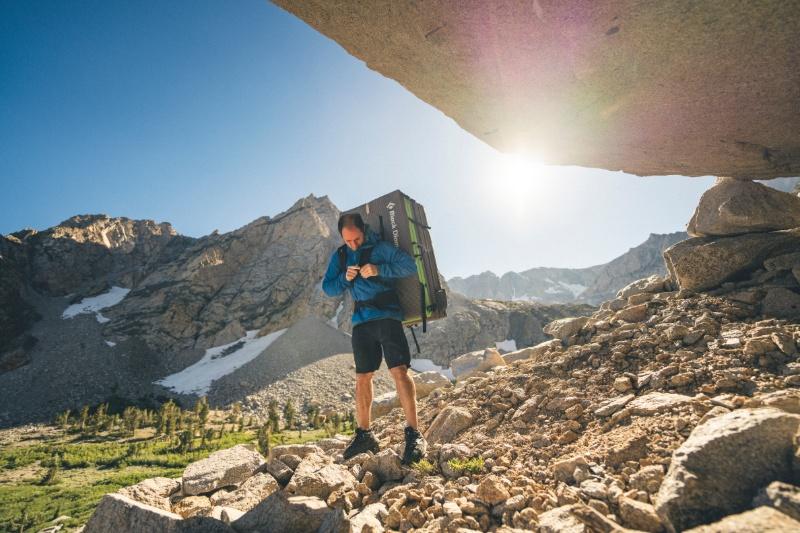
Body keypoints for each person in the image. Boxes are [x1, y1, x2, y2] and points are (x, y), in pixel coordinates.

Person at [322, 213, 427, 464]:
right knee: (362, 377)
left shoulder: (380, 248)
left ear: (363, 231)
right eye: (348, 241)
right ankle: (364, 435)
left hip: (388, 316)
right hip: (361, 322)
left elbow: (410, 266)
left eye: (356, 239)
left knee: (399, 371)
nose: (353, 245)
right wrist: (344, 279)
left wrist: (379, 269)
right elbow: (328, 288)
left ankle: (414, 434)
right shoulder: (341, 256)